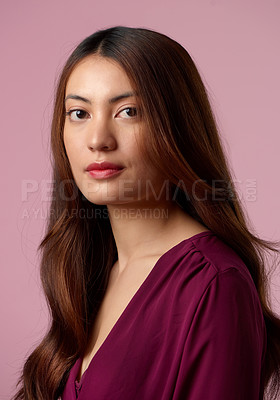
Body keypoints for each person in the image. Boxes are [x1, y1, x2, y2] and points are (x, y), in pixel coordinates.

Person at [14, 26, 280, 400]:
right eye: (79, 113)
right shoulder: (95, 268)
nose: (98, 139)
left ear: (176, 126)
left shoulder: (214, 284)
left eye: (128, 111)